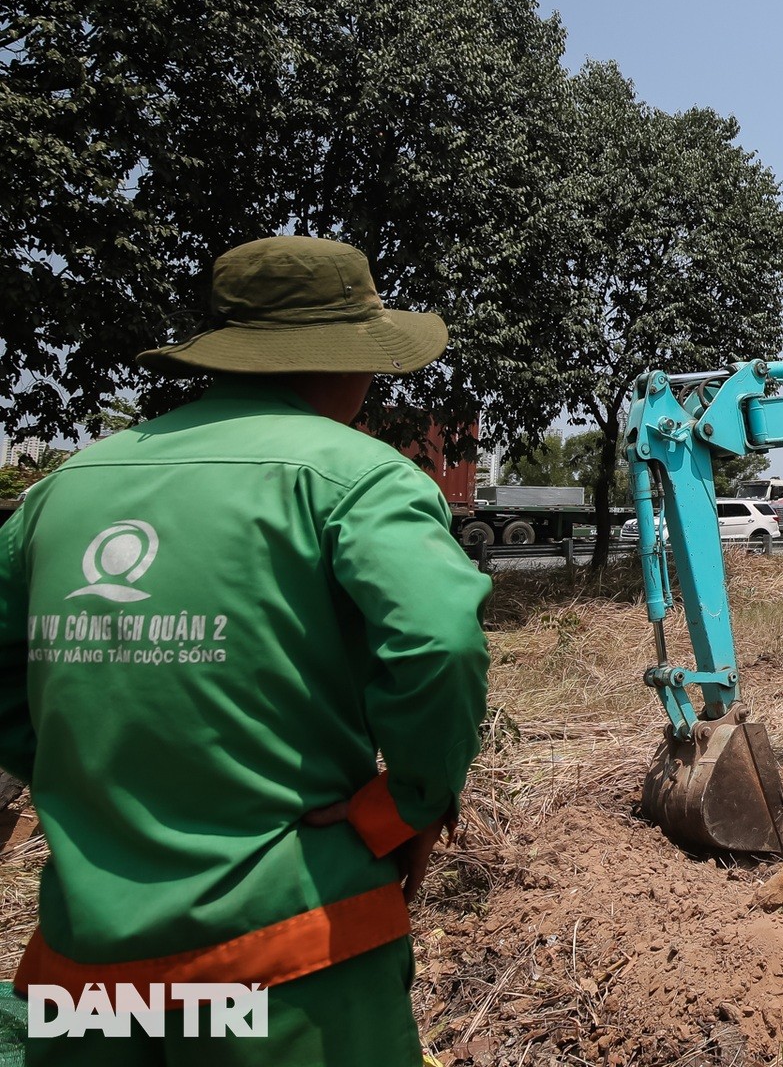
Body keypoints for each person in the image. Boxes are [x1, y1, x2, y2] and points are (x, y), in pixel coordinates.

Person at [0, 236, 493, 1063]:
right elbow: (439, 641)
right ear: (342, 360)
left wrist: (78, 773)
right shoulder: (358, 477)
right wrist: (404, 804)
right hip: (290, 950)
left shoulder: (64, 489)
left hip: (86, 967)